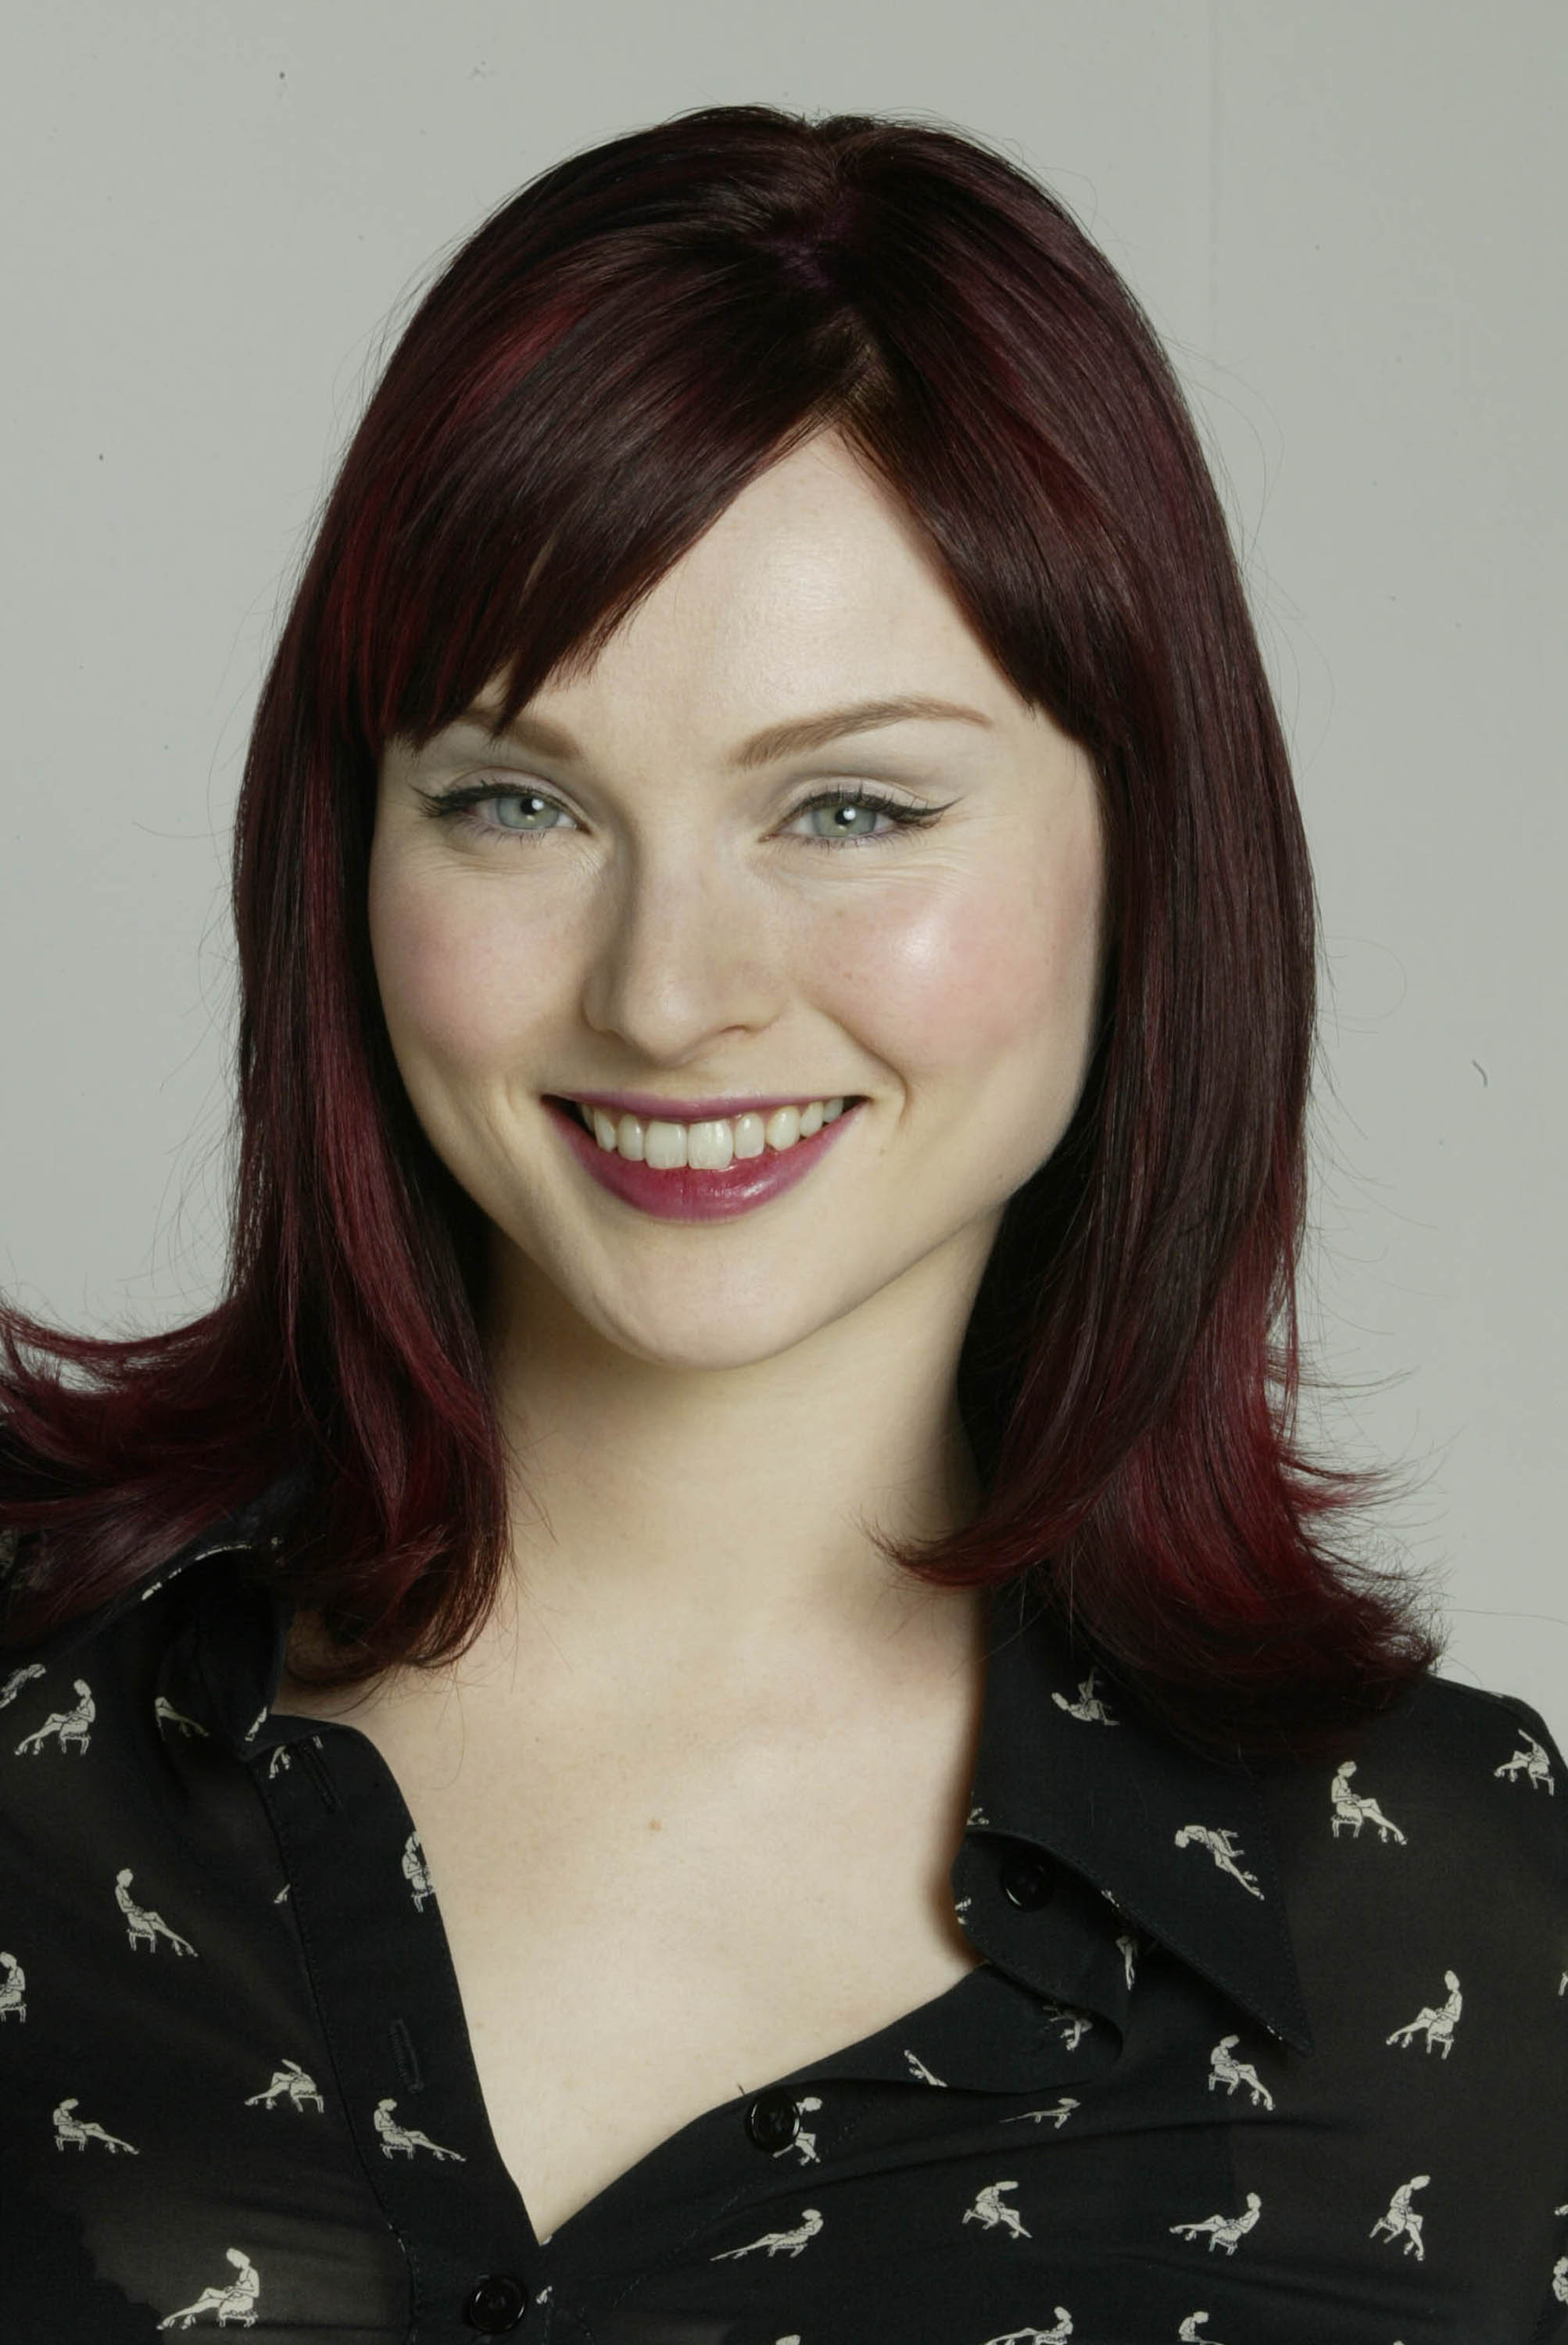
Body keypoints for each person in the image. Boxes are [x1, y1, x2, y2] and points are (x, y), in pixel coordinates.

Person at [0, 101, 1563, 2344]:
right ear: (347, 855)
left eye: (849, 810)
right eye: (516, 801)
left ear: (1149, 857)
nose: (667, 995)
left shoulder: (1472, 1934)